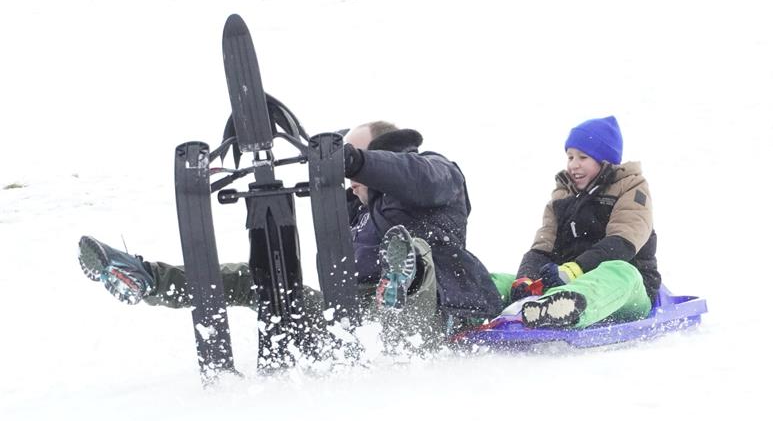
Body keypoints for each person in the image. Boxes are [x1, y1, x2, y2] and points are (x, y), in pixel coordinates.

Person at [78, 121, 503, 345]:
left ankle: (401, 276)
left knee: (415, 252)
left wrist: (354, 161)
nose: (348, 173)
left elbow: (415, 177)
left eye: (353, 159)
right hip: (358, 321)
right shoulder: (356, 206)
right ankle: (150, 278)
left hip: (435, 314)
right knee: (261, 281)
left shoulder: (437, 173)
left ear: (382, 152)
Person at [509, 116, 661, 329]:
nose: (573, 165)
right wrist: (525, 278)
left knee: (621, 271)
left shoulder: (632, 188)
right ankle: (463, 307)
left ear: (604, 160)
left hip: (628, 291)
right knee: (501, 281)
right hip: (565, 281)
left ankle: (561, 310)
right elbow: (542, 247)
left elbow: (622, 244)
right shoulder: (563, 195)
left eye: (582, 157)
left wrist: (574, 270)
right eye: (570, 157)